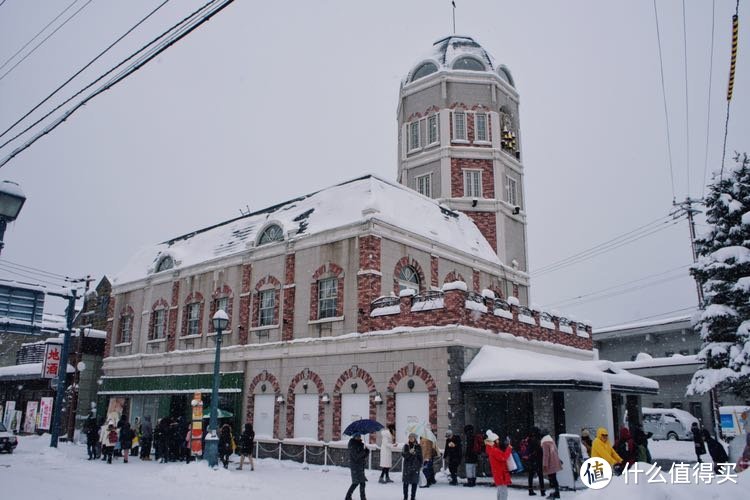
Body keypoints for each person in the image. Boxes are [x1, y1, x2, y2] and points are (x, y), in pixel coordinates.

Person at [484, 430, 512, 500]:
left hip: (498, 473)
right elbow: (503, 457)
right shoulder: (494, 450)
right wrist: (509, 449)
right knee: (503, 492)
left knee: (500, 491)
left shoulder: (491, 449)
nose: (498, 441)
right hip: (500, 473)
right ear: (494, 441)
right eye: (497, 440)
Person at [345, 433, 369, 500]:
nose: (359, 438)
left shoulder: (360, 444)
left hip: (360, 466)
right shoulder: (352, 444)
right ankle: (348, 496)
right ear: (354, 437)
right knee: (356, 482)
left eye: (359, 436)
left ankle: (362, 497)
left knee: (362, 483)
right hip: (355, 466)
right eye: (357, 436)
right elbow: (356, 456)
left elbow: (362, 456)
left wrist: (366, 452)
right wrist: (363, 452)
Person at [541, 431, 562, 499]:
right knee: (554, 479)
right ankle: (557, 493)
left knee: (551, 479)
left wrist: (544, 464)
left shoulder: (544, 442)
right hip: (555, 462)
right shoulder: (551, 441)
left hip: (550, 463)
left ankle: (553, 494)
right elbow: (555, 451)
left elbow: (546, 455)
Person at [402, 432, 422, 500]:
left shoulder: (418, 446)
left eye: (412, 437)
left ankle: (413, 497)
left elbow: (420, 457)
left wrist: (420, 465)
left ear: (415, 438)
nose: (410, 438)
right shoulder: (406, 446)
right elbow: (404, 455)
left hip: (415, 467)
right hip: (407, 467)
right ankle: (405, 497)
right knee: (405, 483)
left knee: (414, 483)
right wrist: (409, 453)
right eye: (409, 437)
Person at [526, 427, 545, 496]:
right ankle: (542, 491)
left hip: (531, 460)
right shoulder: (537, 440)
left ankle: (530, 490)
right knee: (540, 475)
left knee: (530, 476)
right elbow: (540, 451)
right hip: (537, 460)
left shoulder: (530, 440)